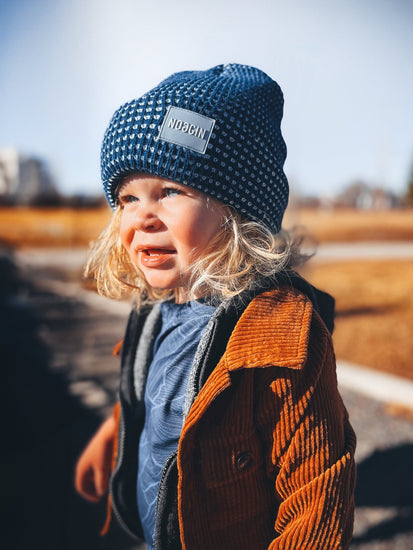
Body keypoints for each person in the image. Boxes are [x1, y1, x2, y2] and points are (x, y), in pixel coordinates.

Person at [75, 63, 356, 550]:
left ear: (238, 214)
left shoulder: (281, 337)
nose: (142, 215)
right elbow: (152, 393)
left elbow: (318, 495)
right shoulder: (155, 310)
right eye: (126, 197)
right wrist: (113, 433)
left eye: (170, 192)